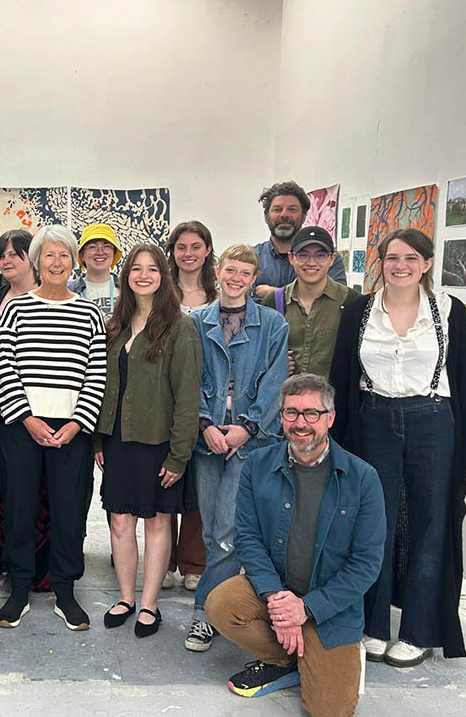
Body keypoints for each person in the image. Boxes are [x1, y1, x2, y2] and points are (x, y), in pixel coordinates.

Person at [330, 228, 466, 666]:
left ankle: (418, 631)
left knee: (431, 525)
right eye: (392, 257)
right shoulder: (359, 310)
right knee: (372, 523)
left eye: (410, 258)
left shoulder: (449, 311)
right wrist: (336, 442)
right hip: (373, 421)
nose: (400, 265)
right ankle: (372, 626)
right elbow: (341, 380)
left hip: (434, 422)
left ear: (425, 264)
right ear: (380, 262)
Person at [206, 374, 385, 716]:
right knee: (222, 604)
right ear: (281, 416)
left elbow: (366, 563)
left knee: (330, 709)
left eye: (311, 414)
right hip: (277, 589)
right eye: (291, 413)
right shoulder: (258, 466)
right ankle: (286, 659)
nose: (300, 423)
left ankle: (312, 655)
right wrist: (277, 598)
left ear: (329, 418)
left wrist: (305, 608)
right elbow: (248, 537)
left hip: (329, 607)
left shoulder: (363, 478)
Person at [0, 224, 107, 630]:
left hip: (72, 428)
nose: (56, 262)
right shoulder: (16, 308)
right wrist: (27, 417)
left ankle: (65, 590)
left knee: (70, 511)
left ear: (72, 261)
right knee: (20, 509)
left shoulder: (88, 311)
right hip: (22, 425)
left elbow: (97, 372)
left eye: (63, 255)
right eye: (48, 255)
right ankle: (19, 589)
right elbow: (4, 367)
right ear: (37, 262)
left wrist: (79, 423)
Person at [185, 244, 289, 653]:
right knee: (213, 532)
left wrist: (245, 428)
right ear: (219, 270)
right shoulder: (195, 322)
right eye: (231, 270)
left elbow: (277, 382)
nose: (237, 278)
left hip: (252, 442)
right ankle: (226, 603)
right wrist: (205, 423)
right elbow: (187, 376)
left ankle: (203, 615)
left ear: (253, 278)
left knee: (228, 532)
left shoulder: (273, 324)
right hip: (207, 438)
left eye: (246, 273)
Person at [94, 245, 201, 638]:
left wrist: (179, 456)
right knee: (120, 521)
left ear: (163, 276)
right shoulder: (115, 325)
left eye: (152, 269)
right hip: (117, 439)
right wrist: (98, 440)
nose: (143, 275)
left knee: (157, 522)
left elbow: (188, 396)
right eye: (136, 269)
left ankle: (150, 604)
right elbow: (103, 387)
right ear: (126, 277)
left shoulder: (180, 327)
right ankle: (125, 597)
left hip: (159, 441)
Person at [0, 229, 52, 591]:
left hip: (49, 410)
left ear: (32, 259)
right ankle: (2, 562)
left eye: (14, 254)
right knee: (4, 491)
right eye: (2, 255)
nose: (6, 261)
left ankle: (41, 570)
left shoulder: (53, 298)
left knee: (43, 493)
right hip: (1, 409)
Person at [163, 220, 217, 591]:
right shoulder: (161, 292)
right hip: (167, 397)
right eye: (181, 247)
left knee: (200, 482)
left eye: (195, 246)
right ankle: (163, 560)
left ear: (207, 251)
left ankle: (193, 562)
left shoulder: (220, 292)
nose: (188, 254)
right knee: (165, 478)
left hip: (209, 397)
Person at [263, 227, 361, 378]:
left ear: (332, 259)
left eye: (320, 255)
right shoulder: (273, 302)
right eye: (303, 255)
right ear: (291, 258)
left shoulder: (352, 303)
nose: (311, 262)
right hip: (284, 399)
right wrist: (272, 364)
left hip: (333, 399)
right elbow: (258, 355)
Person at [253, 182, 346, 299]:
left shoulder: (327, 258)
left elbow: (335, 301)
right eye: (277, 209)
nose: (284, 215)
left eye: (292, 209)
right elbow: (242, 304)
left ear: (303, 217)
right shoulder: (251, 258)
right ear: (266, 217)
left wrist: (276, 294)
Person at [68, 223, 122, 316]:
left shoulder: (127, 290)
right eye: (92, 247)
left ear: (114, 253)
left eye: (107, 246)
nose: (100, 252)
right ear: (82, 255)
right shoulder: (70, 292)